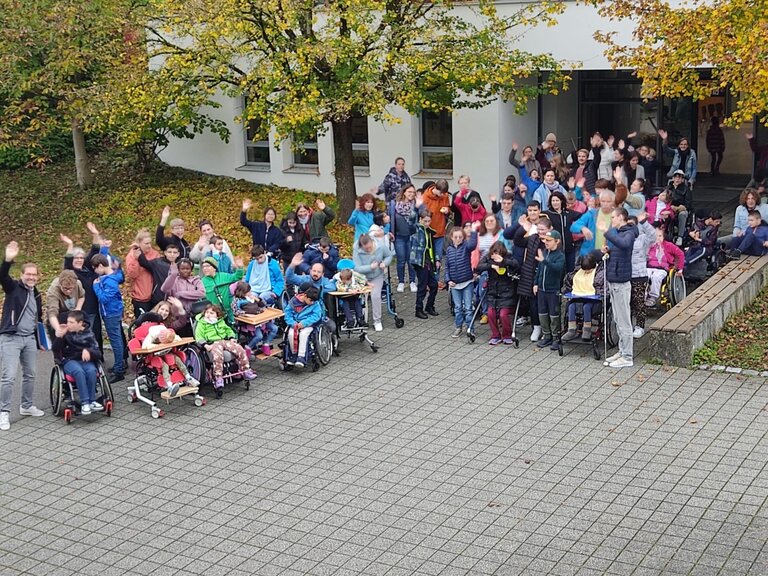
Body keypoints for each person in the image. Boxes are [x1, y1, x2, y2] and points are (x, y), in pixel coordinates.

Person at [0, 241, 45, 430]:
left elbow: (38, 318)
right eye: (28, 274)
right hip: (11, 338)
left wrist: (41, 340)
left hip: (29, 339)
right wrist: (8, 259)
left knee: (31, 374)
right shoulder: (13, 288)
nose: (31, 278)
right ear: (22, 275)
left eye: (34, 275)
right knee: (8, 376)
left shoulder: (36, 294)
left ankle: (26, 406)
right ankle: (3, 413)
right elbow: (2, 276)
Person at [131, 302, 200, 396]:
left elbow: (175, 336)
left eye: (167, 311)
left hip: (166, 351)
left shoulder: (164, 326)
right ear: (157, 309)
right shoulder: (150, 329)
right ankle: (169, 385)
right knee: (165, 366)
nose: (164, 312)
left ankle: (188, 378)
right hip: (153, 355)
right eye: (162, 309)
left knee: (178, 360)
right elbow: (146, 344)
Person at [601, 207, 639, 368]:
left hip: (622, 283)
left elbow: (624, 244)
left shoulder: (628, 232)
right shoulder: (621, 233)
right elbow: (619, 249)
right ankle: (622, 351)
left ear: (621, 218)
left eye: (613, 218)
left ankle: (628, 356)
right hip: (614, 279)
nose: (612, 221)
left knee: (624, 321)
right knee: (617, 319)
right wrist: (608, 251)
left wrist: (607, 233)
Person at [61, 223, 104, 352]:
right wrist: (70, 245)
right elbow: (67, 261)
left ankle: (98, 356)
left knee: (96, 334)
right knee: (84, 336)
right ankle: (86, 358)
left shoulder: (88, 268)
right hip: (82, 309)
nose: (79, 260)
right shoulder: (71, 273)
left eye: (81, 258)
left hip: (94, 308)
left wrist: (95, 234)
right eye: (76, 258)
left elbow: (95, 249)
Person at [194, 303, 256, 391]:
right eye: (207, 312)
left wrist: (231, 337)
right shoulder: (202, 323)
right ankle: (218, 377)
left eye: (211, 313)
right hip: (212, 343)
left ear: (217, 315)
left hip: (224, 340)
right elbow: (198, 336)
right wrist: (205, 345)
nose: (208, 314)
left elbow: (228, 330)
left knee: (239, 349)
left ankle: (246, 370)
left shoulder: (220, 322)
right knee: (218, 355)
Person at [52, 310, 104, 414]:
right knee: (78, 372)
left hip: (85, 360)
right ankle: (85, 402)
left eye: (71, 322)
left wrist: (89, 351)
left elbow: (98, 353)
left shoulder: (89, 334)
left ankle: (92, 401)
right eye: (68, 322)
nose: (68, 325)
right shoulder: (66, 333)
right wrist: (60, 336)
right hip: (69, 360)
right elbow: (55, 349)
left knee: (92, 370)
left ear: (80, 323)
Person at [91, 252, 126, 384]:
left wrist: (96, 286)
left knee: (115, 341)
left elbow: (104, 298)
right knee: (117, 339)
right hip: (112, 312)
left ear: (100, 266)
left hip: (111, 313)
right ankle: (119, 364)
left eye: (95, 268)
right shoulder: (112, 275)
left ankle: (119, 370)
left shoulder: (110, 281)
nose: (95, 271)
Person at [475, 240, 520, 345]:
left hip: (507, 293)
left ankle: (507, 335)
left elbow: (516, 266)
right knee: (491, 313)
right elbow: (478, 267)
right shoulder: (488, 258)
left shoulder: (508, 258)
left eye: (498, 253)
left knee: (503, 315)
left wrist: (503, 261)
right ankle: (495, 335)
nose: (496, 255)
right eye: (494, 253)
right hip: (492, 292)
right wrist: (491, 266)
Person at [353, 233, 393, 332]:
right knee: (358, 296)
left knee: (375, 296)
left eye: (370, 247)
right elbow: (357, 268)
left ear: (372, 242)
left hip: (377, 276)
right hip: (363, 277)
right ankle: (358, 318)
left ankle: (377, 320)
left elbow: (389, 255)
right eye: (366, 248)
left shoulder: (380, 246)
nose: (369, 250)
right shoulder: (357, 250)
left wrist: (385, 263)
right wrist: (370, 267)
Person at [444, 224, 478, 338]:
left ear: (463, 238)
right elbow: (447, 267)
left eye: (460, 237)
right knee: (457, 308)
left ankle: (470, 328)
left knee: (468, 307)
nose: (458, 239)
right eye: (455, 237)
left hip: (467, 282)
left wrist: (473, 232)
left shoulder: (466, 247)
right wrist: (448, 280)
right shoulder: (449, 250)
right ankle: (458, 327)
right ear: (451, 238)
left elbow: (473, 244)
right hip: (454, 284)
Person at [561, 252, 605, 342]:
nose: (586, 272)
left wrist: (598, 293)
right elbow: (568, 283)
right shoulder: (577, 272)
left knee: (586, 307)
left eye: (588, 270)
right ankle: (571, 329)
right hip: (578, 296)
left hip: (593, 299)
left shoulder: (599, 274)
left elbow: (602, 289)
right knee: (571, 306)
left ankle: (587, 329)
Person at [533, 230, 565, 349]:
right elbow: (539, 270)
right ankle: (547, 336)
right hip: (542, 289)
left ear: (557, 241)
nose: (546, 242)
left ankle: (556, 337)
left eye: (549, 240)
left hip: (553, 290)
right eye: (545, 240)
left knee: (554, 314)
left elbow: (557, 269)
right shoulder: (544, 253)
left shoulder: (560, 256)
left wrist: (545, 261)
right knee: (542, 313)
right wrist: (536, 283)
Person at [627, 212, 655, 338]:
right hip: (625, 274)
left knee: (638, 301)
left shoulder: (642, 238)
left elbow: (653, 236)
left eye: (632, 225)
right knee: (626, 302)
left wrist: (644, 222)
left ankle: (640, 326)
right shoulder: (623, 237)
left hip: (639, 274)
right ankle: (627, 325)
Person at [232, 281, 278, 355]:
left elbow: (264, 305)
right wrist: (245, 314)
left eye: (249, 291)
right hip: (251, 322)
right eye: (248, 292)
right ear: (242, 292)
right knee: (259, 336)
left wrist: (257, 299)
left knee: (274, 328)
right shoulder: (238, 300)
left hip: (261, 319)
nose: (249, 293)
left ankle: (266, 343)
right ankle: (248, 348)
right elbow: (235, 311)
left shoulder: (252, 297)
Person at [570, 183, 617, 257]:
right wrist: (583, 228)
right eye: (603, 201)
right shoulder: (592, 213)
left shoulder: (617, 215)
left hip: (610, 254)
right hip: (591, 254)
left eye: (608, 202)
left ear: (613, 202)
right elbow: (574, 226)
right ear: (599, 201)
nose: (605, 204)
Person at [283, 285, 323, 368]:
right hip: (295, 323)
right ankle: (294, 354)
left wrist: (304, 323)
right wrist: (293, 323)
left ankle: (301, 356)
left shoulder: (315, 303)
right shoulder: (293, 302)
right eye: (310, 300)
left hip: (309, 324)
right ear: (305, 295)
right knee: (291, 334)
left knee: (303, 334)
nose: (312, 303)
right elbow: (287, 314)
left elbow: (316, 315)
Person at [389, 183, 419, 293]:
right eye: (409, 192)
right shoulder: (395, 204)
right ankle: (401, 281)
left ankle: (412, 281)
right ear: (404, 192)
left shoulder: (416, 204)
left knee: (411, 260)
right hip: (399, 236)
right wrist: (390, 232)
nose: (411, 194)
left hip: (412, 236)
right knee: (401, 260)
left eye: (413, 192)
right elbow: (391, 219)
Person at [410, 209, 440, 320]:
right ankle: (418, 309)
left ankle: (429, 306)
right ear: (420, 220)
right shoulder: (416, 229)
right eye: (425, 221)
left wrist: (437, 259)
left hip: (429, 262)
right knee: (422, 286)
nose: (427, 224)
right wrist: (416, 207)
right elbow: (411, 220)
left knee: (434, 285)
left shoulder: (430, 231)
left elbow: (433, 248)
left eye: (429, 221)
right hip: (419, 262)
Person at [646, 225, 685, 306]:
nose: (658, 238)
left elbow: (680, 254)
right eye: (655, 236)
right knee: (643, 276)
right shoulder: (649, 245)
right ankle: (644, 295)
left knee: (656, 277)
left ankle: (653, 297)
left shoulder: (668, 245)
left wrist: (680, 268)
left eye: (660, 236)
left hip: (662, 269)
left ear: (663, 236)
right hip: (649, 267)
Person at [125, 229, 160, 318]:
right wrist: (137, 259)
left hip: (155, 297)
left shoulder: (155, 254)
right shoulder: (131, 256)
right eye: (146, 244)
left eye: (150, 243)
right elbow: (132, 274)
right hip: (141, 297)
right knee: (143, 324)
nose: (149, 246)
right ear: (139, 243)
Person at [200, 256, 245, 323]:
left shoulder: (224, 276)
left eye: (207, 266)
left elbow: (237, 277)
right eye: (203, 267)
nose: (205, 268)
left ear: (214, 268)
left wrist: (240, 268)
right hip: (213, 314)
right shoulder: (201, 282)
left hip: (227, 311)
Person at [420, 180, 452, 275]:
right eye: (441, 193)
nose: (442, 195)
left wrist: (447, 210)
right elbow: (421, 214)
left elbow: (448, 208)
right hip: (428, 232)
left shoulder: (445, 196)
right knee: (428, 258)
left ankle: (436, 280)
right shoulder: (425, 197)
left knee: (438, 257)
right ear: (435, 189)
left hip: (440, 231)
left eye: (444, 193)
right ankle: (427, 279)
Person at [46, 270, 84, 340]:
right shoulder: (53, 291)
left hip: (72, 315)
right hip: (57, 318)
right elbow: (52, 313)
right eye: (65, 288)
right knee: (59, 346)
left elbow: (81, 296)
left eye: (71, 288)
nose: (68, 291)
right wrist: (58, 329)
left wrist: (78, 309)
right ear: (60, 284)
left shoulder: (78, 284)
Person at [545, 191, 577, 273]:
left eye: (557, 200)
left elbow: (583, 216)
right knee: (558, 272)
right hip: (556, 249)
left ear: (561, 201)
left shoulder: (568, 213)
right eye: (553, 201)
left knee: (570, 271)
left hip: (569, 248)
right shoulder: (547, 214)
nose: (555, 203)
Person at [667, 169, 694, 246]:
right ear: (673, 178)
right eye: (676, 177)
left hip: (682, 209)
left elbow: (689, 204)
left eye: (680, 177)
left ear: (682, 180)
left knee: (683, 214)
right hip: (670, 208)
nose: (677, 179)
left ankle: (680, 237)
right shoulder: (668, 188)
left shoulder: (686, 189)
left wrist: (680, 208)